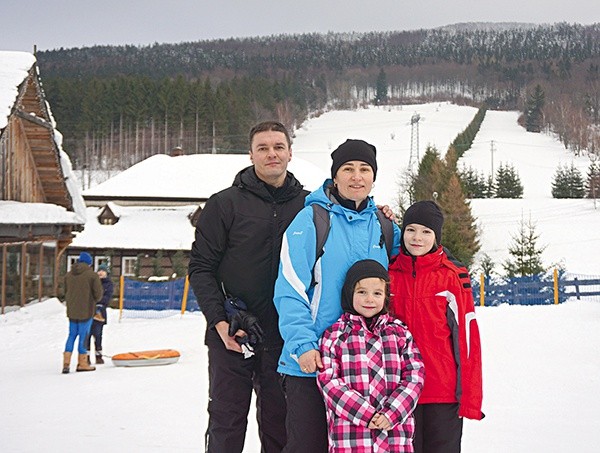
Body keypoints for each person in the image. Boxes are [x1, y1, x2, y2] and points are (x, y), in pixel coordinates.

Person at [274, 139, 401, 452]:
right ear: (335, 176)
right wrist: (302, 345)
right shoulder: (311, 221)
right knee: (307, 446)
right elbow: (289, 289)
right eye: (348, 169)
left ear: (374, 177)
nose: (356, 176)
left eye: (364, 169)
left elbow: (416, 262)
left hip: (365, 366)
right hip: (314, 361)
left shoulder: (383, 226)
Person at [188, 121, 308, 453]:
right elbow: (201, 267)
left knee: (281, 427)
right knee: (226, 423)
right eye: (263, 148)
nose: (272, 154)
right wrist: (219, 320)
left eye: (278, 147)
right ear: (251, 154)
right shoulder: (224, 204)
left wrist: (384, 215)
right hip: (233, 335)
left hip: (285, 339)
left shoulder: (310, 207)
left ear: (290, 153)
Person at [388, 200, 484, 453]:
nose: (417, 237)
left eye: (426, 231)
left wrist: (470, 399)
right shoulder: (388, 274)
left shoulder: (452, 277)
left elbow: (467, 339)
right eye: (411, 229)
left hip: (442, 392)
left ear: (436, 237)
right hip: (398, 392)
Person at [317, 259, 425, 452]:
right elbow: (329, 381)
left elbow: (414, 376)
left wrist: (392, 413)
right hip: (352, 439)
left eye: (377, 293)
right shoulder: (334, 335)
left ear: (385, 297)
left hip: (394, 437)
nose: (370, 299)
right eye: (362, 292)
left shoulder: (399, 333)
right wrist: (366, 414)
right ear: (349, 293)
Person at [62, 251, 103, 374]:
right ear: (89, 263)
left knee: (71, 335)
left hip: (72, 310)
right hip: (86, 310)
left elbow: (65, 291)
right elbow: (98, 294)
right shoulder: (92, 275)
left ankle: (66, 363)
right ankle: (82, 363)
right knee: (83, 336)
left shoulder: (68, 275)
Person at [85, 264, 114, 365]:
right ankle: (86, 357)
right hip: (89, 311)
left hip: (100, 312)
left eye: (103, 271)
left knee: (98, 334)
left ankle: (98, 356)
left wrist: (98, 303)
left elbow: (107, 297)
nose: (101, 272)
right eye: (99, 271)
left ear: (106, 273)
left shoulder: (109, 284)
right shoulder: (92, 282)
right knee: (87, 335)